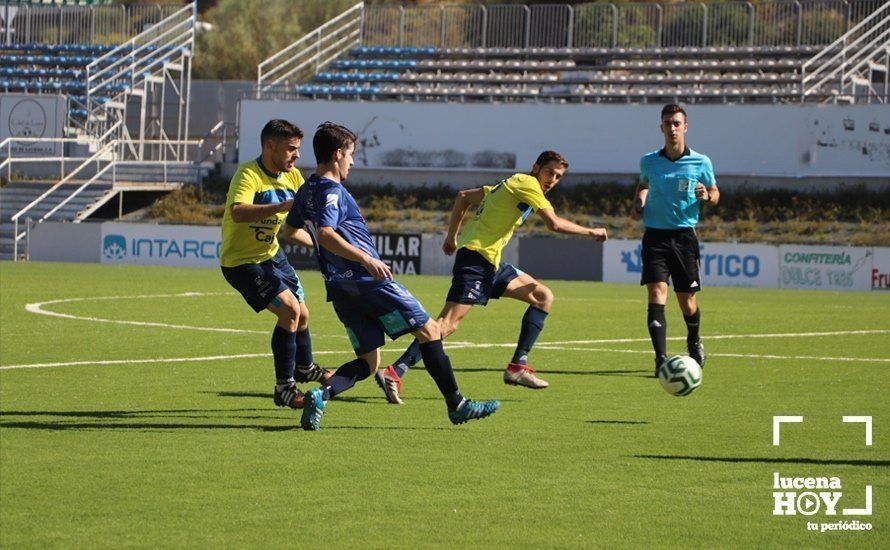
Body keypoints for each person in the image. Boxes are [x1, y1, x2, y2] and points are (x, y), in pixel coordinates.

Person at [286, 122, 499, 430]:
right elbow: (325, 232)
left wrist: (328, 251)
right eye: (351, 154)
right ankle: (458, 405)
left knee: (369, 362)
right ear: (336, 154)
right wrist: (365, 259)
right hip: (368, 282)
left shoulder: (305, 191)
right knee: (431, 331)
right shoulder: (332, 191)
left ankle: (322, 394)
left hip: (340, 289)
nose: (353, 162)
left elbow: (290, 232)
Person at [375, 151, 609, 405]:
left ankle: (517, 367)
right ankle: (394, 372)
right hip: (476, 260)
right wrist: (591, 231)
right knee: (445, 325)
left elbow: (463, 197)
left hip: (491, 264)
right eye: (549, 172)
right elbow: (553, 223)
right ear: (536, 167)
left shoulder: (507, 184)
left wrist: (451, 236)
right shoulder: (528, 184)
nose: (553, 179)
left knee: (542, 296)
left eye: (558, 176)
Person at [220, 119, 330, 413]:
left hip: (272, 255)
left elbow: (301, 223)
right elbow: (239, 213)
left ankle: (305, 368)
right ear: (270, 146)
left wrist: (327, 245)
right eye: (291, 149)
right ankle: (285, 389)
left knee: (303, 314)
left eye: (298, 149)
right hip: (242, 262)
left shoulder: (293, 177)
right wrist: (281, 206)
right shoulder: (248, 175)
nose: (296, 156)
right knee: (289, 311)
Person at [630, 103, 719, 374]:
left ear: (685, 127)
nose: (672, 128)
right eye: (667, 124)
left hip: (684, 237)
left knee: (687, 302)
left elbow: (715, 192)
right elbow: (644, 185)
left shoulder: (701, 162)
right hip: (655, 236)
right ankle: (660, 360)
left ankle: (693, 340)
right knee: (657, 293)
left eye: (676, 124)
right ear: (661, 128)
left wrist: (708, 196)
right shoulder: (649, 161)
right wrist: (639, 202)